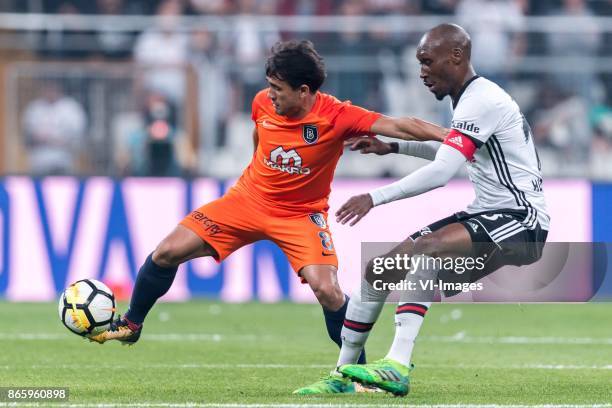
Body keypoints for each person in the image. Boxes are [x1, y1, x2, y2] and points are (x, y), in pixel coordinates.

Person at [87, 40, 447, 388]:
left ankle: (358, 375)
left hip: (301, 215)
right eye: (269, 86)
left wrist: (455, 137)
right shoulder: (261, 103)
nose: (270, 94)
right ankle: (132, 324)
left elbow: (403, 125)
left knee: (328, 290)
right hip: (247, 200)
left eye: (278, 88)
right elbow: (258, 138)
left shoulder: (338, 116)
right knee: (166, 252)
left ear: (304, 91)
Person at [297, 23, 549, 396]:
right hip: (487, 215)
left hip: (522, 220)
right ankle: (343, 376)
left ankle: (397, 364)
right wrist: (393, 147)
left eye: (427, 61)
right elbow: (452, 151)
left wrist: (374, 197)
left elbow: (444, 172)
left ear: (457, 56)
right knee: (379, 270)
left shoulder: (483, 99)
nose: (422, 73)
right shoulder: (466, 100)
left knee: (428, 247)